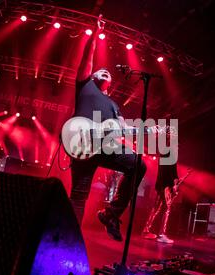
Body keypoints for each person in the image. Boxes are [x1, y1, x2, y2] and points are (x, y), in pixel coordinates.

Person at [69, 15, 147, 241]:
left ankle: (111, 213)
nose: (105, 71)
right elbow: (87, 57)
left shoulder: (114, 105)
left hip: (105, 147)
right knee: (78, 196)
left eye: (108, 73)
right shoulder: (85, 86)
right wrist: (94, 34)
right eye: (100, 70)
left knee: (138, 165)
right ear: (92, 76)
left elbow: (123, 130)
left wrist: (148, 132)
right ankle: (69, 240)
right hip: (82, 146)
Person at [142, 154, 178, 244]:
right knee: (165, 210)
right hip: (164, 187)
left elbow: (173, 172)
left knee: (158, 209)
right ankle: (161, 234)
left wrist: (175, 182)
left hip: (165, 186)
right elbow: (164, 172)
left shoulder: (171, 156)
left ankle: (147, 231)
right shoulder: (167, 155)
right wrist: (166, 186)